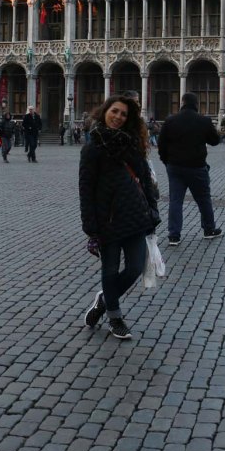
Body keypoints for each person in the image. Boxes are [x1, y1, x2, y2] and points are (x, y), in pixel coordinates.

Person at [79, 95, 160, 340]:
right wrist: (90, 224)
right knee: (110, 270)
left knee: (135, 267)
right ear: (105, 111)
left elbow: (146, 179)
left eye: (123, 114)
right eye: (115, 111)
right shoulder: (93, 147)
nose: (118, 117)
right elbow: (86, 186)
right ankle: (115, 317)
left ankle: (104, 299)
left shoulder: (133, 143)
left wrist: (152, 209)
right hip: (108, 219)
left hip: (135, 216)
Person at [158, 92, 222, 245]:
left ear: (182, 102)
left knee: (175, 201)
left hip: (175, 167)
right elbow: (214, 141)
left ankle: (174, 235)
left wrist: (167, 161)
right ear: (196, 104)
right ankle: (209, 229)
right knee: (204, 199)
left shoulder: (170, 120)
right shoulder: (204, 121)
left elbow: (161, 145)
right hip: (197, 166)